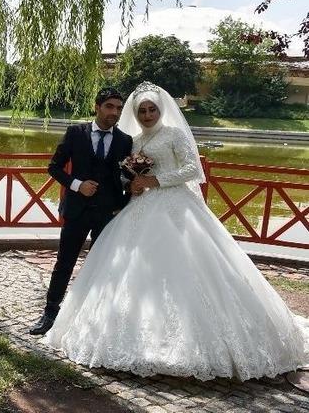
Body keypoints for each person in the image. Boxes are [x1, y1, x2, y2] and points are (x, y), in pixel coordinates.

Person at [43, 81, 309, 381]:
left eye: (151, 109)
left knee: (182, 264)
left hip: (175, 208)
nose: (145, 114)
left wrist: (154, 182)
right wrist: (131, 183)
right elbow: (121, 173)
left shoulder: (175, 134)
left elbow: (193, 170)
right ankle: (55, 314)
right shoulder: (134, 141)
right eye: (140, 110)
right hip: (136, 207)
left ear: (161, 109)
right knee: (125, 266)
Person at [29, 87, 133, 335]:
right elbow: (54, 167)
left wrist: (125, 202)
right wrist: (77, 185)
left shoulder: (125, 140)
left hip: (107, 215)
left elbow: (127, 177)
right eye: (109, 107)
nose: (114, 113)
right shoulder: (75, 133)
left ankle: (95, 318)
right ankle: (50, 314)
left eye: (118, 108)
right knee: (64, 263)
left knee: (103, 265)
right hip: (76, 210)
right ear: (97, 107)